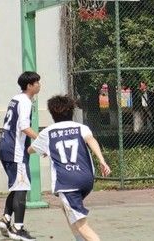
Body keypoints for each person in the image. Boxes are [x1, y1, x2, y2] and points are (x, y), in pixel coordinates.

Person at [29, 95, 111, 241]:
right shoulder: (81, 128)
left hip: (67, 183)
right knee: (65, 207)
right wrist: (102, 160)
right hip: (86, 179)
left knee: (81, 224)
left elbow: (30, 150)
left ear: (52, 113)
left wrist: (39, 148)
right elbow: (91, 140)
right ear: (72, 111)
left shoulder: (47, 133)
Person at [0, 71, 41, 241]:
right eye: (37, 82)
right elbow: (24, 127)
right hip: (15, 151)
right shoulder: (25, 102)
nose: (39, 85)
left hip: (5, 147)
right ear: (29, 86)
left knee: (17, 186)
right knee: (22, 188)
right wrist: (41, 140)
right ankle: (18, 228)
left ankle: (5, 218)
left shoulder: (15, 99)